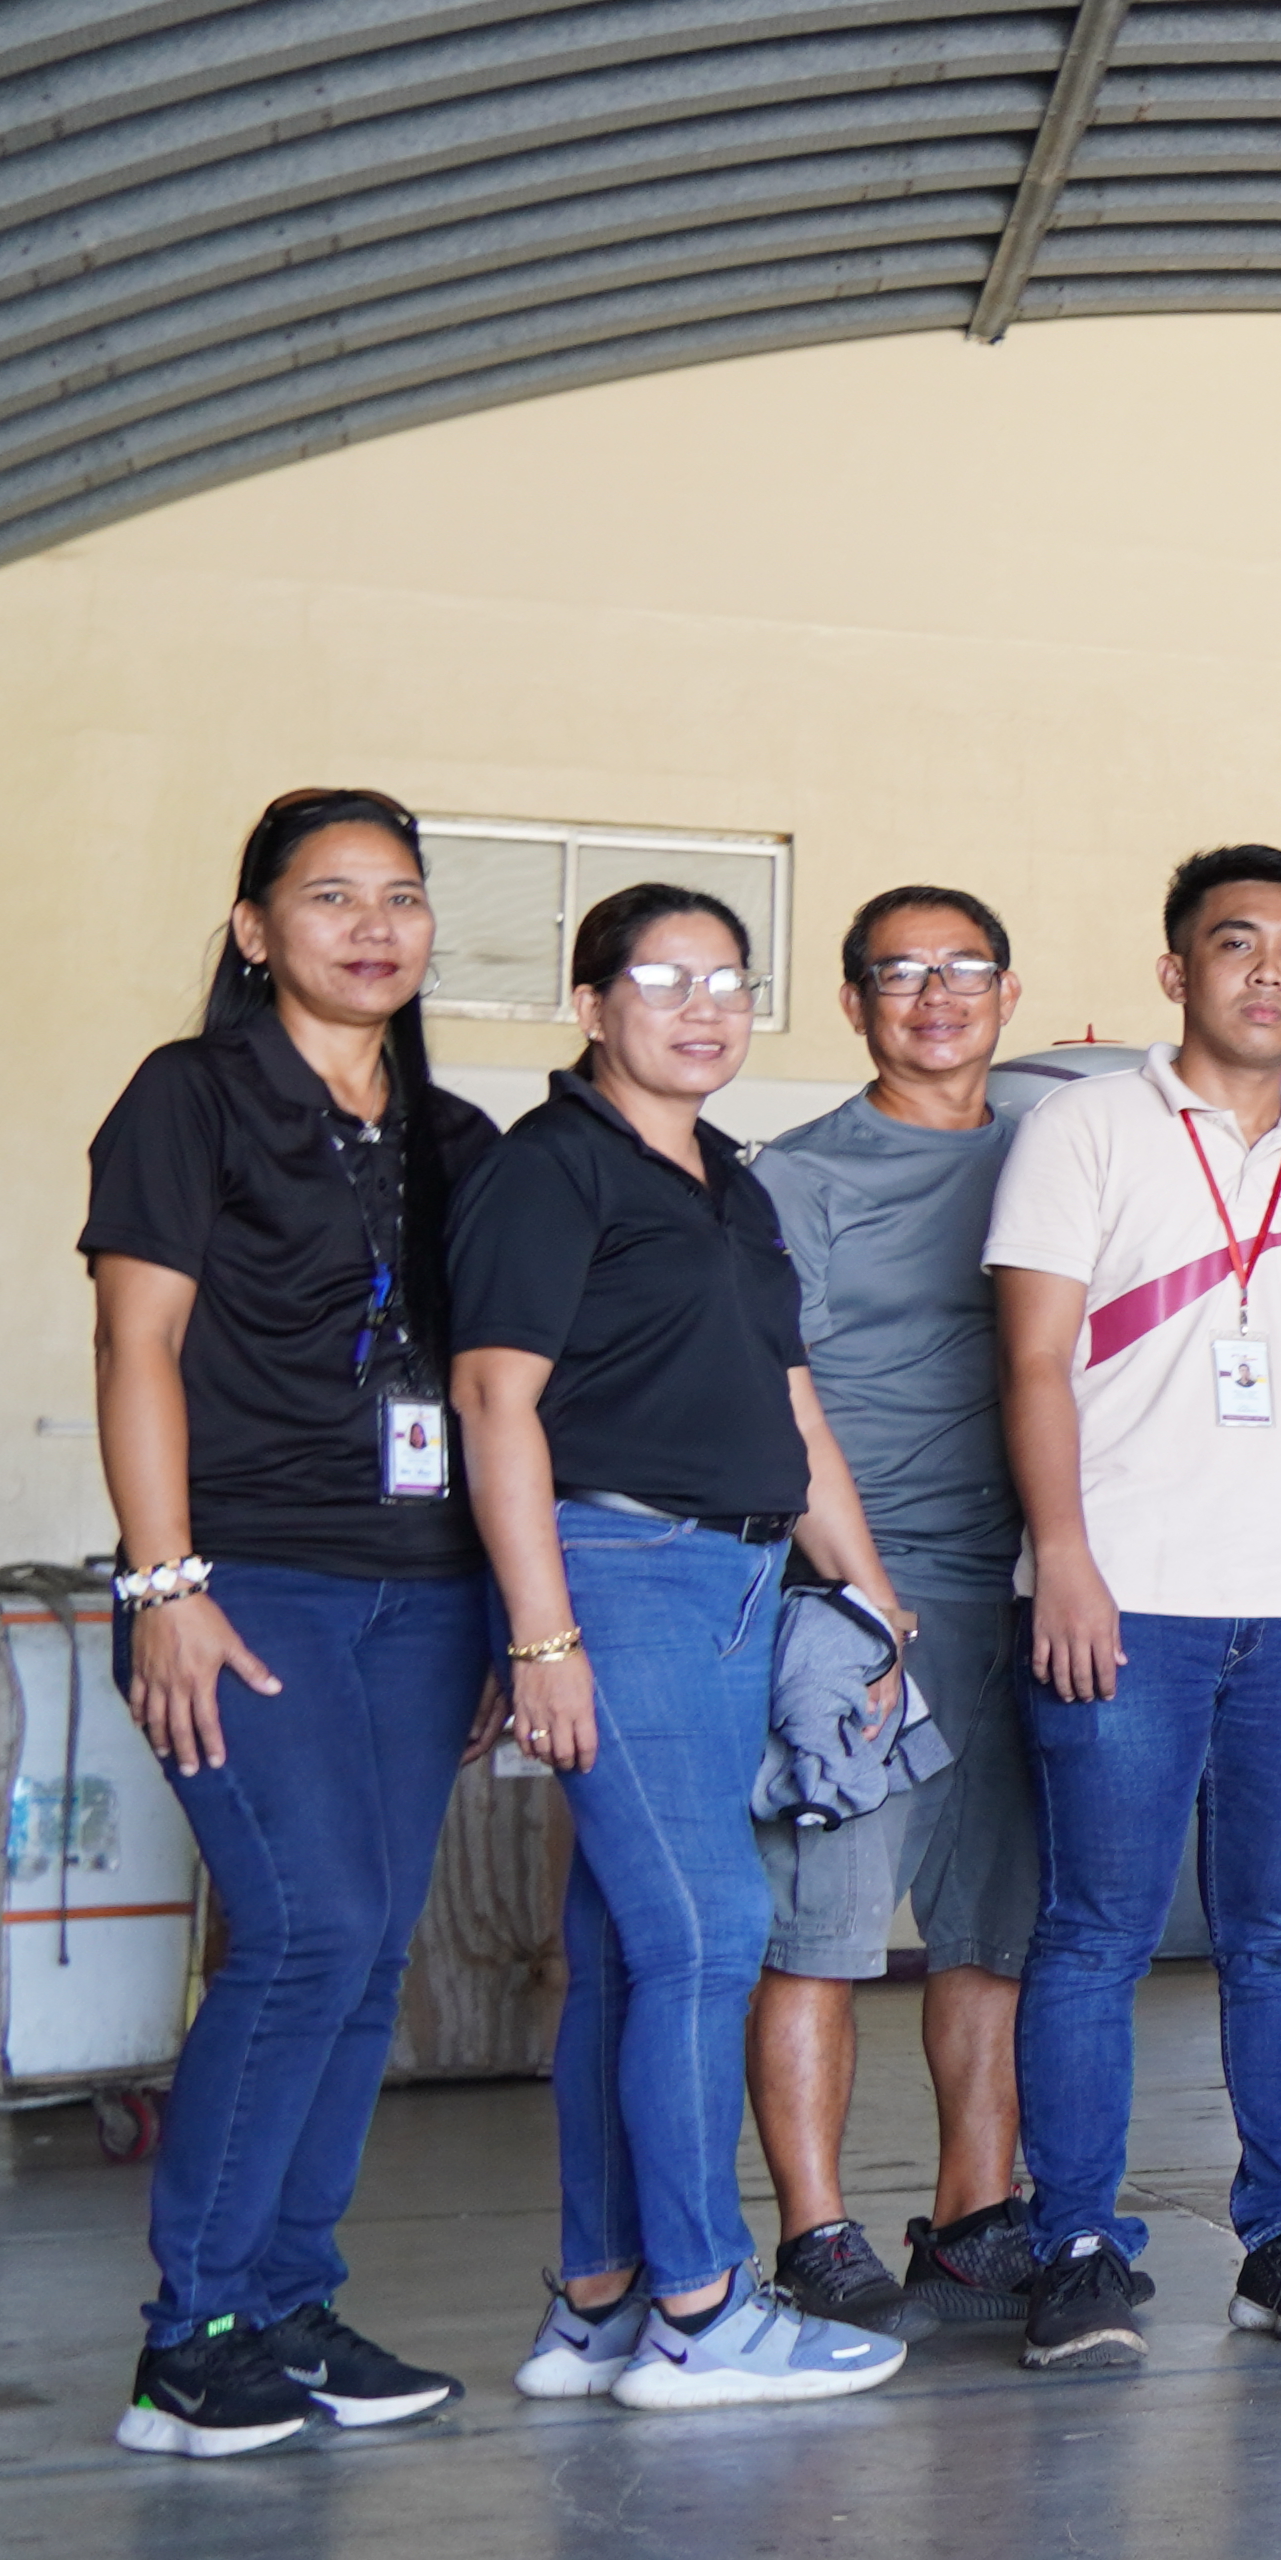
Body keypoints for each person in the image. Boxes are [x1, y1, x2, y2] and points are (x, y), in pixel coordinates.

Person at [452, 882, 921, 2409]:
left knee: (623, 1950)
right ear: (592, 1007)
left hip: (736, 1585)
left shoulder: (727, 1176)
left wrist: (870, 1594)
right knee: (710, 1932)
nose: (703, 1003)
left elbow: (790, 1405)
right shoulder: (552, 1172)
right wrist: (540, 1637)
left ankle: (598, 2303)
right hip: (619, 1571)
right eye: (665, 978)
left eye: (728, 977)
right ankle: (706, 2307)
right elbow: (492, 1403)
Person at [86, 789, 513, 2457]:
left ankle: (284, 2300)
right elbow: (135, 1349)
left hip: (421, 1594)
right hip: (246, 1574)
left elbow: (486, 1391)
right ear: (256, 929)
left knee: (366, 1952)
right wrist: (162, 1582)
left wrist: (501, 1611)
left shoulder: (454, 1136)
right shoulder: (189, 1098)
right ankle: (186, 2333)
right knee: (305, 1928)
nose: (372, 925)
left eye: (399, 896)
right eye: (329, 896)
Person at [985, 846, 1281, 2366]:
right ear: (1178, 971)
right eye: (1236, 944)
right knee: (1095, 1931)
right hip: (1126, 1596)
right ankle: (1077, 2243)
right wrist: (1067, 1557)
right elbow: (1032, 1364)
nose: (1268, 971)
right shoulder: (1084, 1131)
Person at [737, 885, 1046, 2334]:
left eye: (963, 967)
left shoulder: (1057, 1161)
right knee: (825, 1934)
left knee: (992, 1936)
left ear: (1008, 992)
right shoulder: (789, 1180)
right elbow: (770, 1408)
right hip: (855, 1607)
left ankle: (978, 2219)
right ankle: (815, 2233)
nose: (936, 994)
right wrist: (858, 1592)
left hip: (1027, 1601)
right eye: (899, 972)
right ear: (855, 1002)